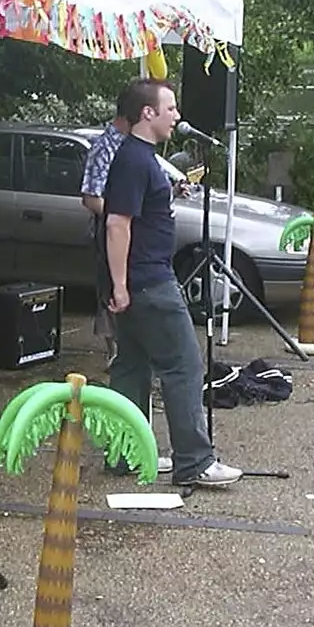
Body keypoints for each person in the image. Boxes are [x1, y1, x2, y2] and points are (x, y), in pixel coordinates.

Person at [103, 79, 242, 487]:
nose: (177, 117)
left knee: (131, 367)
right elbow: (116, 224)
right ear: (148, 113)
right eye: (171, 109)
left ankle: (126, 453)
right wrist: (121, 284)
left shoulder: (140, 159)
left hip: (139, 281)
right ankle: (194, 462)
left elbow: (138, 212)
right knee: (184, 365)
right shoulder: (135, 159)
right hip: (149, 282)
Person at [80, 113, 129, 365]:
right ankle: (115, 354)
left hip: (126, 229)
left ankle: (125, 352)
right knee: (110, 294)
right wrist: (121, 216)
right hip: (108, 231)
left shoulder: (131, 145)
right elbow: (91, 198)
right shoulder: (104, 147)